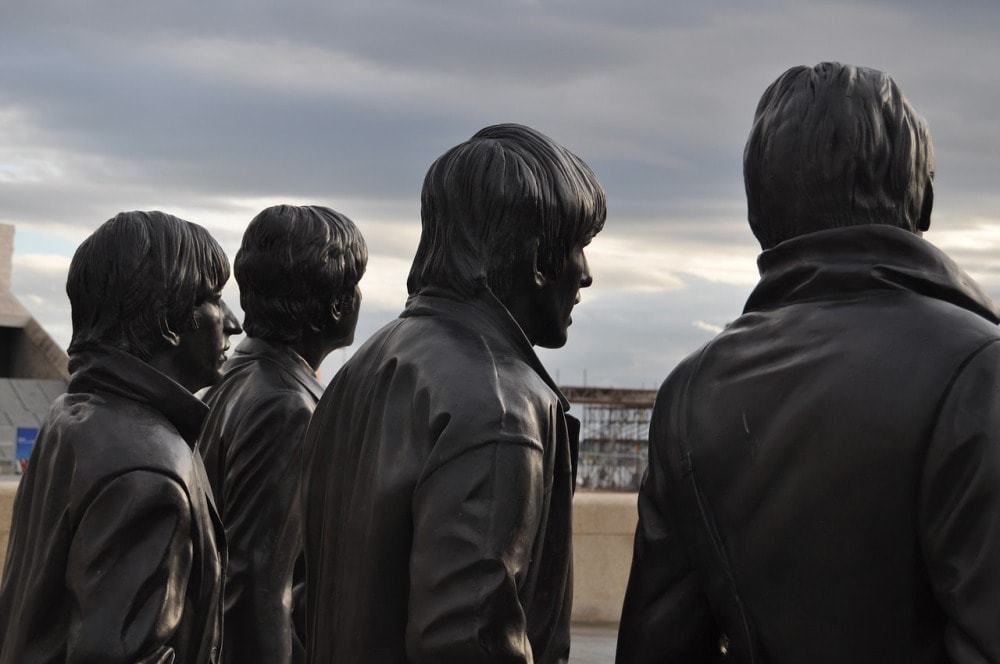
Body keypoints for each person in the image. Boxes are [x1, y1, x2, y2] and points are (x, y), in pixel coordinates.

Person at [617, 62, 1000, 663]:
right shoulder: (981, 368)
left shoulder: (691, 390)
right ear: (921, 200)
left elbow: (657, 646)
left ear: (757, 214)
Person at [301, 123, 606, 663]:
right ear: (537, 260)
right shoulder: (500, 405)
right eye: (579, 246)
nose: (585, 274)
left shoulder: (365, 366)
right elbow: (470, 643)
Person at [0, 211, 242, 663]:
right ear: (168, 319)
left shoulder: (74, 415)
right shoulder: (148, 470)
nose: (232, 323)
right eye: (214, 298)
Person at [199, 204, 367, 664]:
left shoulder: (232, 380)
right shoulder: (288, 408)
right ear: (335, 304)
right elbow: (258, 585)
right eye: (353, 285)